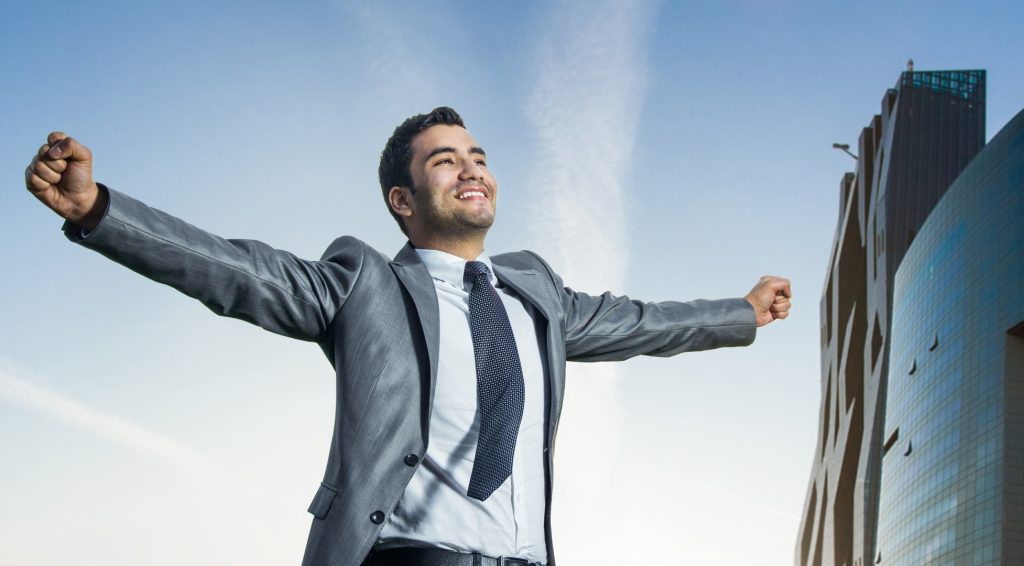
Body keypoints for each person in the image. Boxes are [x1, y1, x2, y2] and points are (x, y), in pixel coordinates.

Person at [24, 107, 791, 566]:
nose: (472, 170)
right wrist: (100, 212)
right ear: (403, 198)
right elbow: (239, 272)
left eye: (480, 158)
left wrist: (742, 312)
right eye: (446, 160)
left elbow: (642, 323)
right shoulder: (366, 284)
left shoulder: (535, 291)